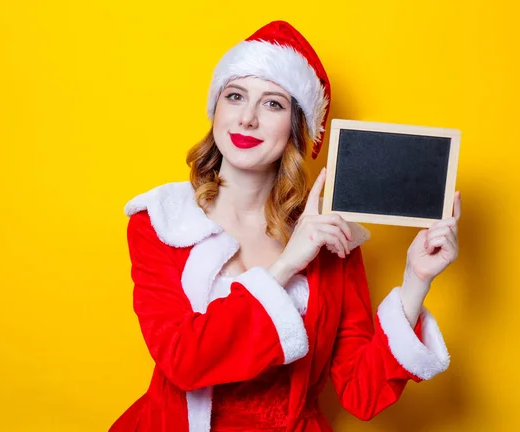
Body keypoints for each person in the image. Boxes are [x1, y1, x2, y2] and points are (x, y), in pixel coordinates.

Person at [109, 20, 461, 432]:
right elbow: (183, 361)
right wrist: (285, 265)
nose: (248, 119)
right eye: (235, 96)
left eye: (273, 104)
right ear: (216, 110)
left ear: (296, 127)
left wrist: (416, 280)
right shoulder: (162, 224)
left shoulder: (331, 239)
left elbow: (361, 394)